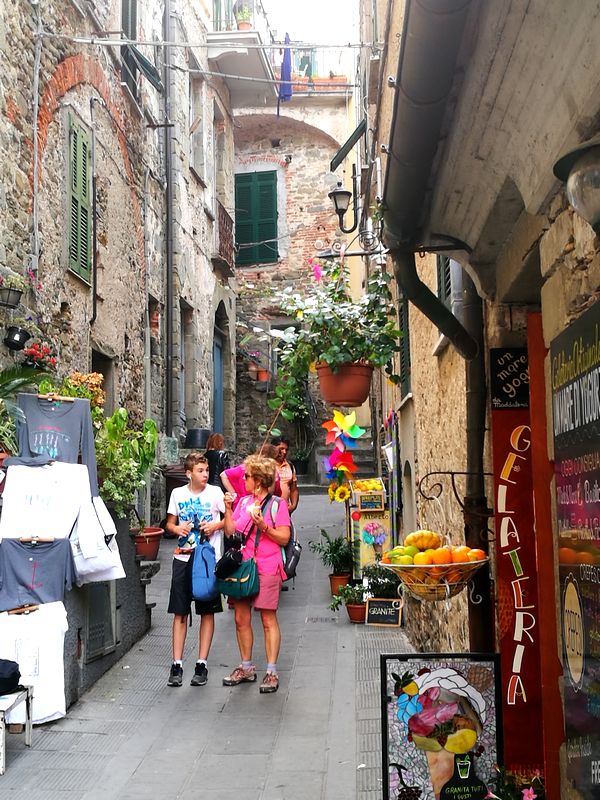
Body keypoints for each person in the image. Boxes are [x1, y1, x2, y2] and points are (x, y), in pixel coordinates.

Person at [222, 454, 291, 693]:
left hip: (268, 566)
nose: (243, 479)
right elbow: (231, 533)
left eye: (247, 476)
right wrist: (229, 509)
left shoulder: (277, 505)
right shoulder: (243, 503)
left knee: (267, 619)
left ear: (259, 481)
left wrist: (263, 526)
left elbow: (284, 537)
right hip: (244, 566)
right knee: (241, 619)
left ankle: (271, 671)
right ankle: (246, 667)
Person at [164, 452, 225, 688]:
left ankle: (202, 663)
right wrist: (176, 529)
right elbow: (169, 523)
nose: (205, 475)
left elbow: (230, 520)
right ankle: (177, 663)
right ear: (189, 473)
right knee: (180, 611)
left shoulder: (215, 493)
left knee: (206, 610)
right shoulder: (177, 494)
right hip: (182, 557)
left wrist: (215, 525)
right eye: (200, 471)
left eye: (207, 471)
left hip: (207, 559)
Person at [220, 443, 281, 509]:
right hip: (245, 507)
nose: (244, 478)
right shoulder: (244, 468)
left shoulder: (273, 474)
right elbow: (223, 475)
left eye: (246, 476)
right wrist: (235, 495)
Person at [272, 437, 299, 513]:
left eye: (286, 450)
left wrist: (293, 506)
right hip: (268, 511)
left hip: (285, 511)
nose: (284, 452)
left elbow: (294, 489)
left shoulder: (289, 465)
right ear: (273, 448)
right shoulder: (266, 465)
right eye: (281, 448)